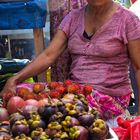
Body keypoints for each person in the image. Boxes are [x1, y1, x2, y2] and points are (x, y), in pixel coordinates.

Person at [1, 0, 140, 127]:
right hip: (76, 90)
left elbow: (138, 68)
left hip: (111, 95)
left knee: (61, 106)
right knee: (20, 91)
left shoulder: (128, 20)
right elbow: (49, 55)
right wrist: (15, 78)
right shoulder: (73, 18)